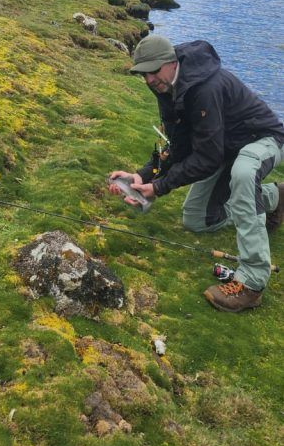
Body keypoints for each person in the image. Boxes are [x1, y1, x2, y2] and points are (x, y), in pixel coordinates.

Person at [109, 34, 284, 313]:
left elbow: (206, 157)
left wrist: (161, 188)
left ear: (171, 62)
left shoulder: (205, 87)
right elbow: (178, 146)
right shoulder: (165, 88)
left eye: (153, 71)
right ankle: (274, 196)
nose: (149, 80)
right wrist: (144, 176)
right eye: (144, 74)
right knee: (196, 220)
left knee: (243, 173)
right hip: (225, 149)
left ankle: (252, 284)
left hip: (263, 139)